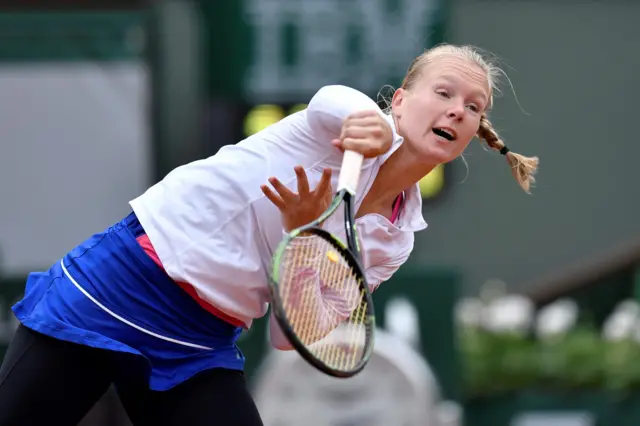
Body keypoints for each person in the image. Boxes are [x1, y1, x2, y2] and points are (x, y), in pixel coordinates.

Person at [0, 43, 538, 426]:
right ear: (398, 100)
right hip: (117, 287)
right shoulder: (336, 126)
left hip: (198, 341)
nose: (457, 110)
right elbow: (335, 98)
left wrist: (300, 237)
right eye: (444, 92)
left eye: (474, 108)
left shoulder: (395, 239)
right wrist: (365, 123)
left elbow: (290, 337)